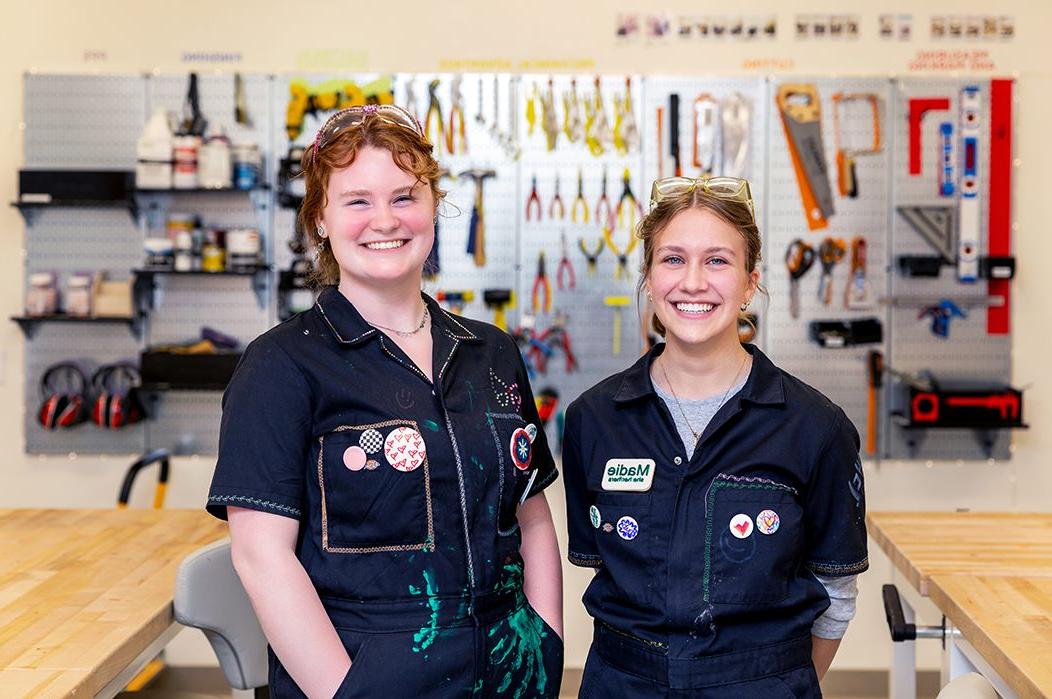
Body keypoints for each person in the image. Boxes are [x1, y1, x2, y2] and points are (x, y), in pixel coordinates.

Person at [206, 104, 563, 699]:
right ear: (320, 218)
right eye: (357, 201)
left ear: (432, 207)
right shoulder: (281, 365)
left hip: (508, 665)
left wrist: (544, 646)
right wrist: (344, 691)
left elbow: (530, 516)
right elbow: (261, 558)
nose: (385, 220)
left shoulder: (491, 352)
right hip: (364, 672)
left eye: (404, 196)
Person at [562, 175, 867, 697]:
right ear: (650, 276)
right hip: (622, 684)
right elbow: (600, 569)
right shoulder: (594, 420)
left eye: (718, 261)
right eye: (673, 259)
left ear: (751, 282)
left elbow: (836, 592)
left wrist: (772, 684)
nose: (694, 282)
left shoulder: (816, 427)